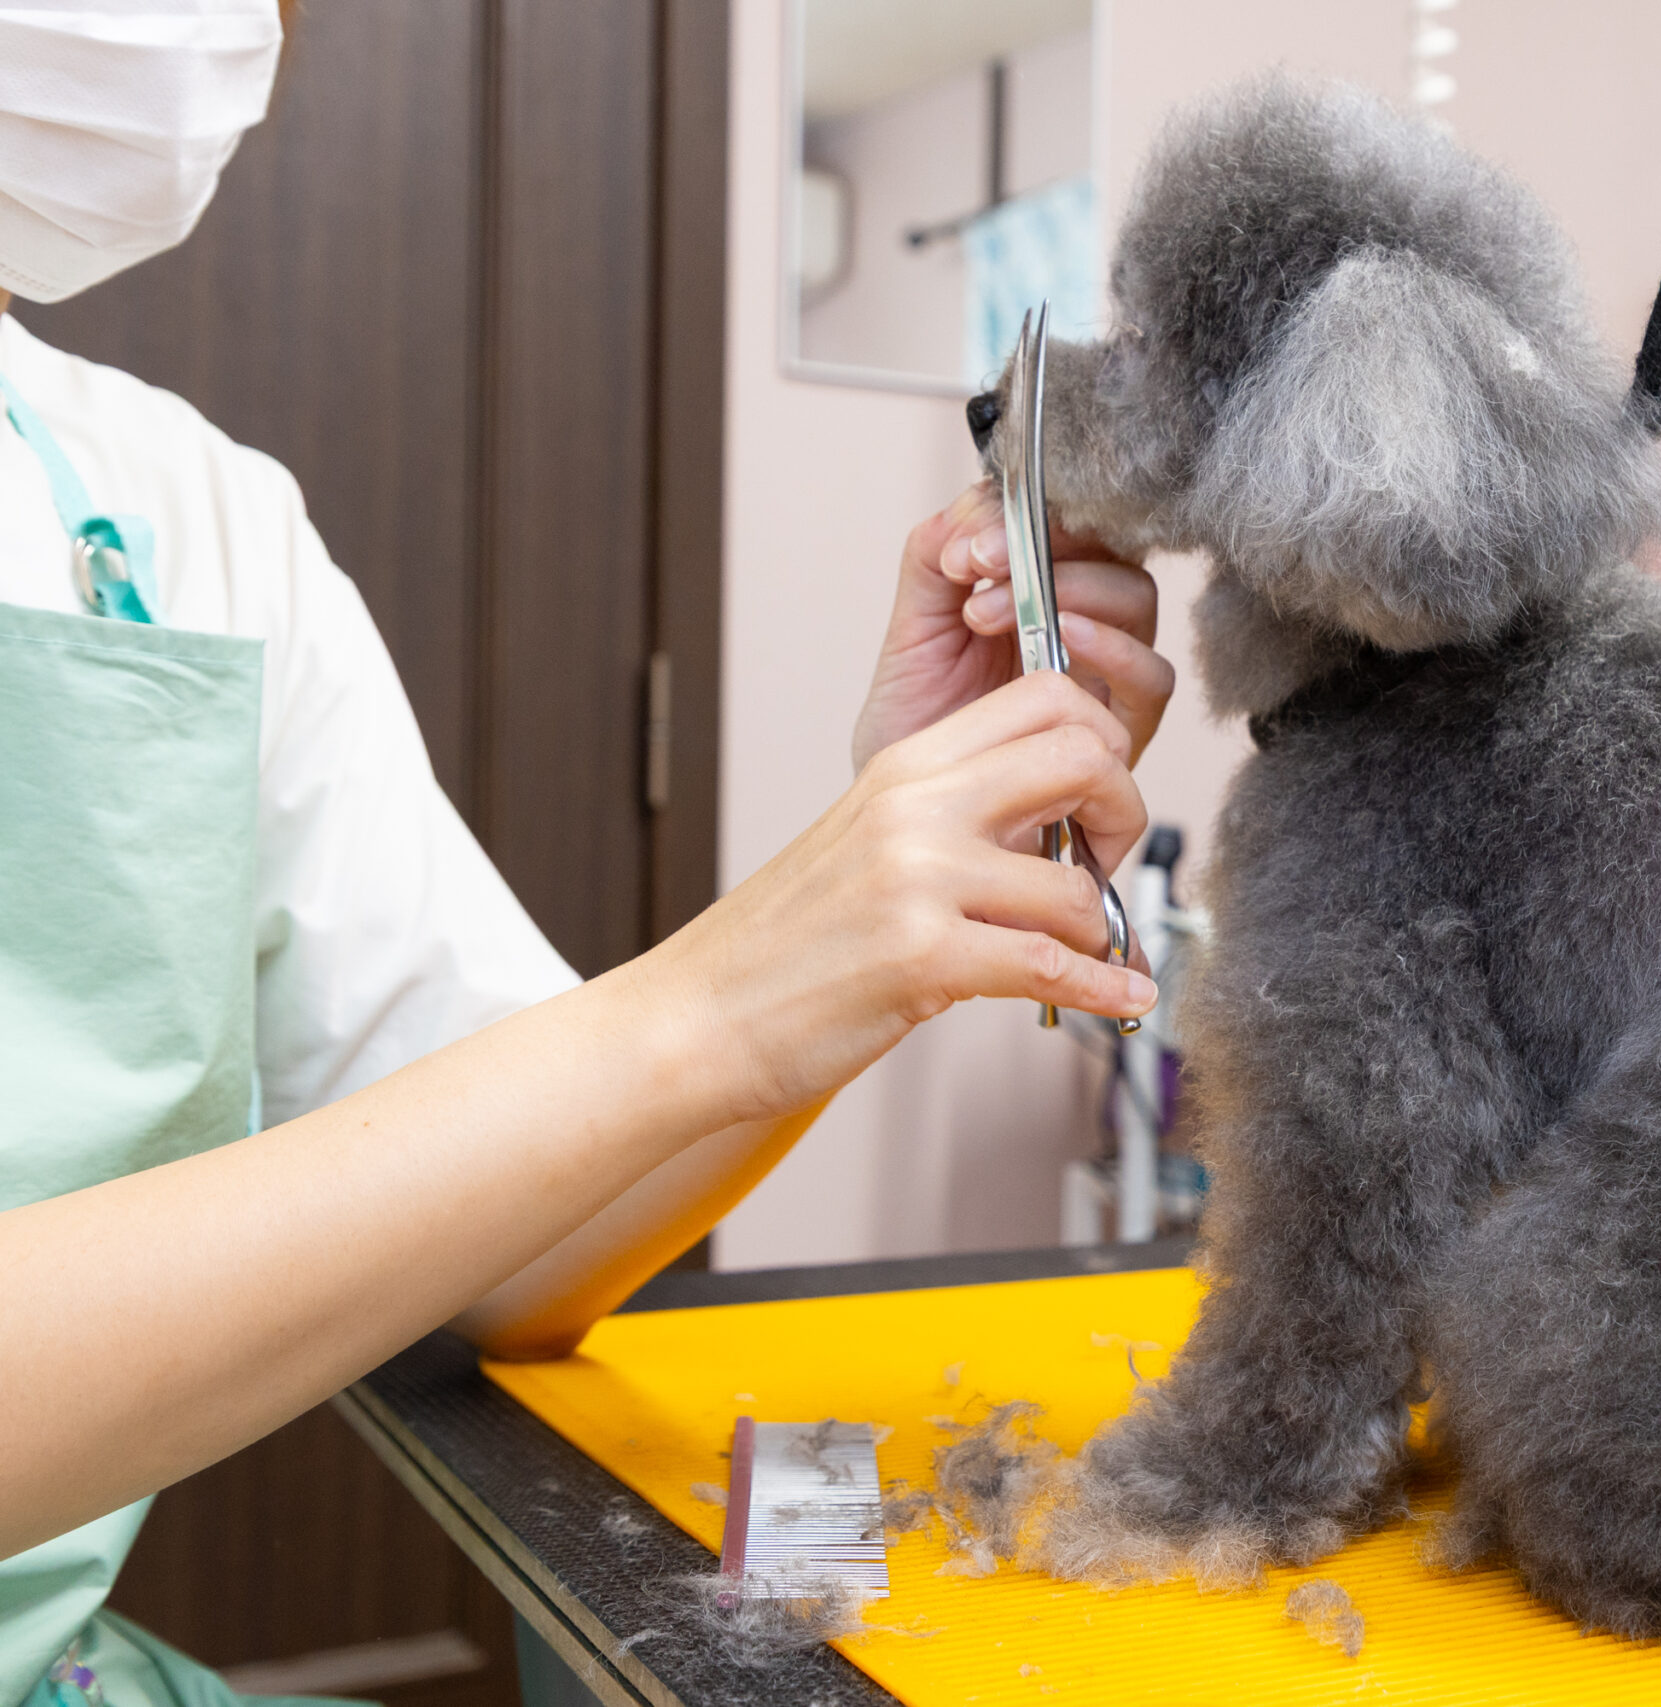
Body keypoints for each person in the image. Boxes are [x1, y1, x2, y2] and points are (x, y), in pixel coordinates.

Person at [0, 5, 1175, 1704]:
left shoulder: (184, 525)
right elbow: (649, 1052)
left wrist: (885, 904)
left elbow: (519, 1260)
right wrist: (727, 994)